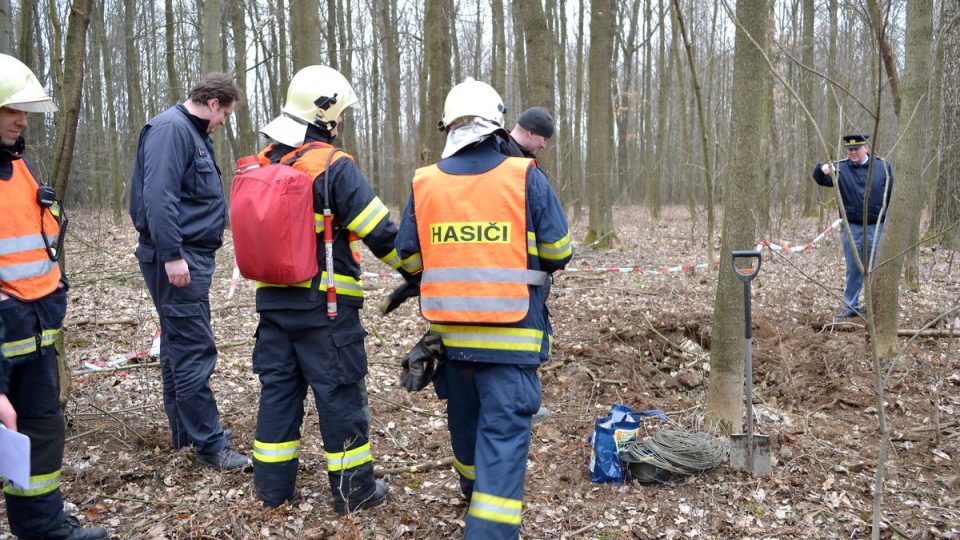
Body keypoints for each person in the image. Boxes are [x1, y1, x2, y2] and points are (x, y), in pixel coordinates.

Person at [395, 78, 572, 539]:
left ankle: (472, 495)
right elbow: (558, 250)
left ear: (449, 126)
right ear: (497, 124)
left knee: (465, 425)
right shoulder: (524, 176)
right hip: (512, 341)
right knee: (502, 438)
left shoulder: (425, 182)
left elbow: (409, 257)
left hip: (451, 340)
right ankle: (489, 527)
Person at [249, 65, 415, 513]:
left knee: (279, 393)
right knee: (340, 395)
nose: (340, 124)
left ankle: (272, 491)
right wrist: (416, 271)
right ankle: (354, 492)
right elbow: (379, 230)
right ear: (326, 114)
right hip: (326, 309)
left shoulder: (265, 160)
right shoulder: (332, 165)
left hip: (273, 306)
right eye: (339, 115)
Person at [0, 53, 108, 540]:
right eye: (9, 109)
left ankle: (42, 529)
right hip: (5, 341)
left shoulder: (16, 165)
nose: (21, 119)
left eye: (22, 110)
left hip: (36, 334)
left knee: (40, 435)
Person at [129, 73, 249, 469]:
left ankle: (187, 434)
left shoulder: (193, 134)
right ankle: (210, 445)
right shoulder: (171, 129)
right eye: (226, 113)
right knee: (194, 349)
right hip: (178, 258)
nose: (224, 122)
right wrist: (171, 254)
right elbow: (158, 195)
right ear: (213, 102)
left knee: (179, 348)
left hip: (190, 255)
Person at [812, 134, 894, 318]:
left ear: (866, 148)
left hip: (876, 226)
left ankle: (876, 308)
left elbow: (892, 193)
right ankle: (851, 306)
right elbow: (820, 179)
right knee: (854, 267)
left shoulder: (882, 167)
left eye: (857, 149)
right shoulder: (841, 168)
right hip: (852, 227)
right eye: (850, 150)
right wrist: (821, 169)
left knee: (876, 268)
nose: (853, 153)